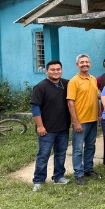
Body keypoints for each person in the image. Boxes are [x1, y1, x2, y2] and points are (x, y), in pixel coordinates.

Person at [31, 60, 71, 191]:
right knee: (44, 154)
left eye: (58, 69)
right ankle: (38, 180)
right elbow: (35, 108)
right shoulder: (40, 87)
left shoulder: (66, 84)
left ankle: (58, 176)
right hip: (47, 129)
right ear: (47, 71)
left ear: (61, 70)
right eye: (53, 69)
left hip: (63, 127)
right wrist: (40, 126)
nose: (56, 71)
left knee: (61, 153)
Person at [67, 54, 101, 186]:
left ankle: (88, 169)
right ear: (77, 65)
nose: (85, 64)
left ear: (90, 64)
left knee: (90, 146)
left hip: (93, 120)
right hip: (81, 121)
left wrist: (98, 116)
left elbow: (95, 98)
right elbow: (70, 103)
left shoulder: (93, 79)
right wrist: (75, 122)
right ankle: (78, 174)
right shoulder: (73, 81)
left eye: (87, 62)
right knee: (78, 149)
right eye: (82, 62)